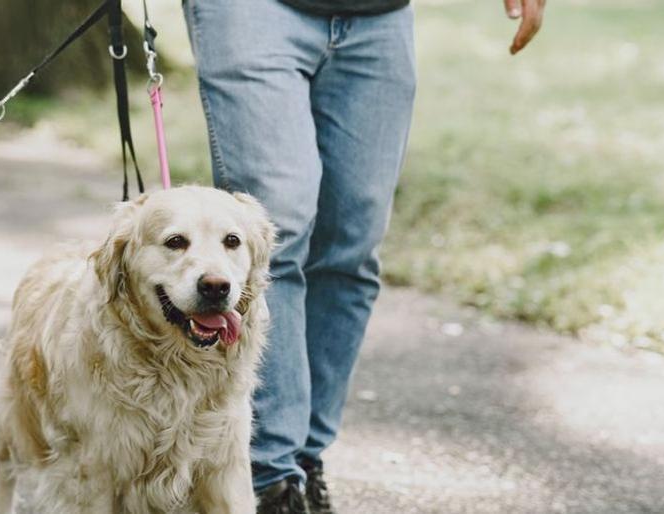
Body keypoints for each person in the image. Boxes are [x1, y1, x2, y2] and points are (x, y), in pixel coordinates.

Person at [182, 0, 545, 512]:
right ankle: (269, 476)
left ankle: (305, 458)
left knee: (351, 246)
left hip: (379, 14)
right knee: (274, 237)